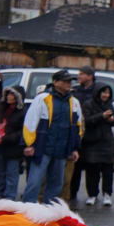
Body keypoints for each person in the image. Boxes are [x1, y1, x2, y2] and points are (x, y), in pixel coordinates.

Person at [21, 70, 83, 204]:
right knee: (34, 183)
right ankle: (26, 212)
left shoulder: (74, 102)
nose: (69, 83)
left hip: (61, 150)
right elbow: (30, 122)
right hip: (42, 148)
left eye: (70, 81)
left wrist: (75, 148)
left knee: (56, 185)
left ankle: (49, 213)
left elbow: (77, 127)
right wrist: (28, 144)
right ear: (55, 82)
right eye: (65, 81)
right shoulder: (42, 98)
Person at [80, 84, 114, 207]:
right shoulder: (88, 104)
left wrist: (112, 119)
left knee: (108, 170)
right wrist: (101, 116)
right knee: (92, 171)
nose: (106, 95)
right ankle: (92, 195)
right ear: (98, 92)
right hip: (92, 143)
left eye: (108, 93)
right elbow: (86, 121)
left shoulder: (109, 104)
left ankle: (107, 194)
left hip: (107, 142)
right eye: (104, 92)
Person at [64, 66, 97, 202]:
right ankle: (72, 192)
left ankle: (92, 194)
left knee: (91, 166)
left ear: (90, 76)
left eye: (82, 74)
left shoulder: (96, 90)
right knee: (74, 165)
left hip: (91, 133)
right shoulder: (75, 90)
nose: (79, 76)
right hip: (76, 131)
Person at [0, 86, 26, 200]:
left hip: (14, 148)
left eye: (11, 94)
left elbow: (22, 132)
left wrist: (6, 138)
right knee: (0, 171)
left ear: (18, 97)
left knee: (12, 173)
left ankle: (9, 196)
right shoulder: (3, 109)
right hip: (0, 145)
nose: (8, 97)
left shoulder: (22, 112)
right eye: (7, 94)